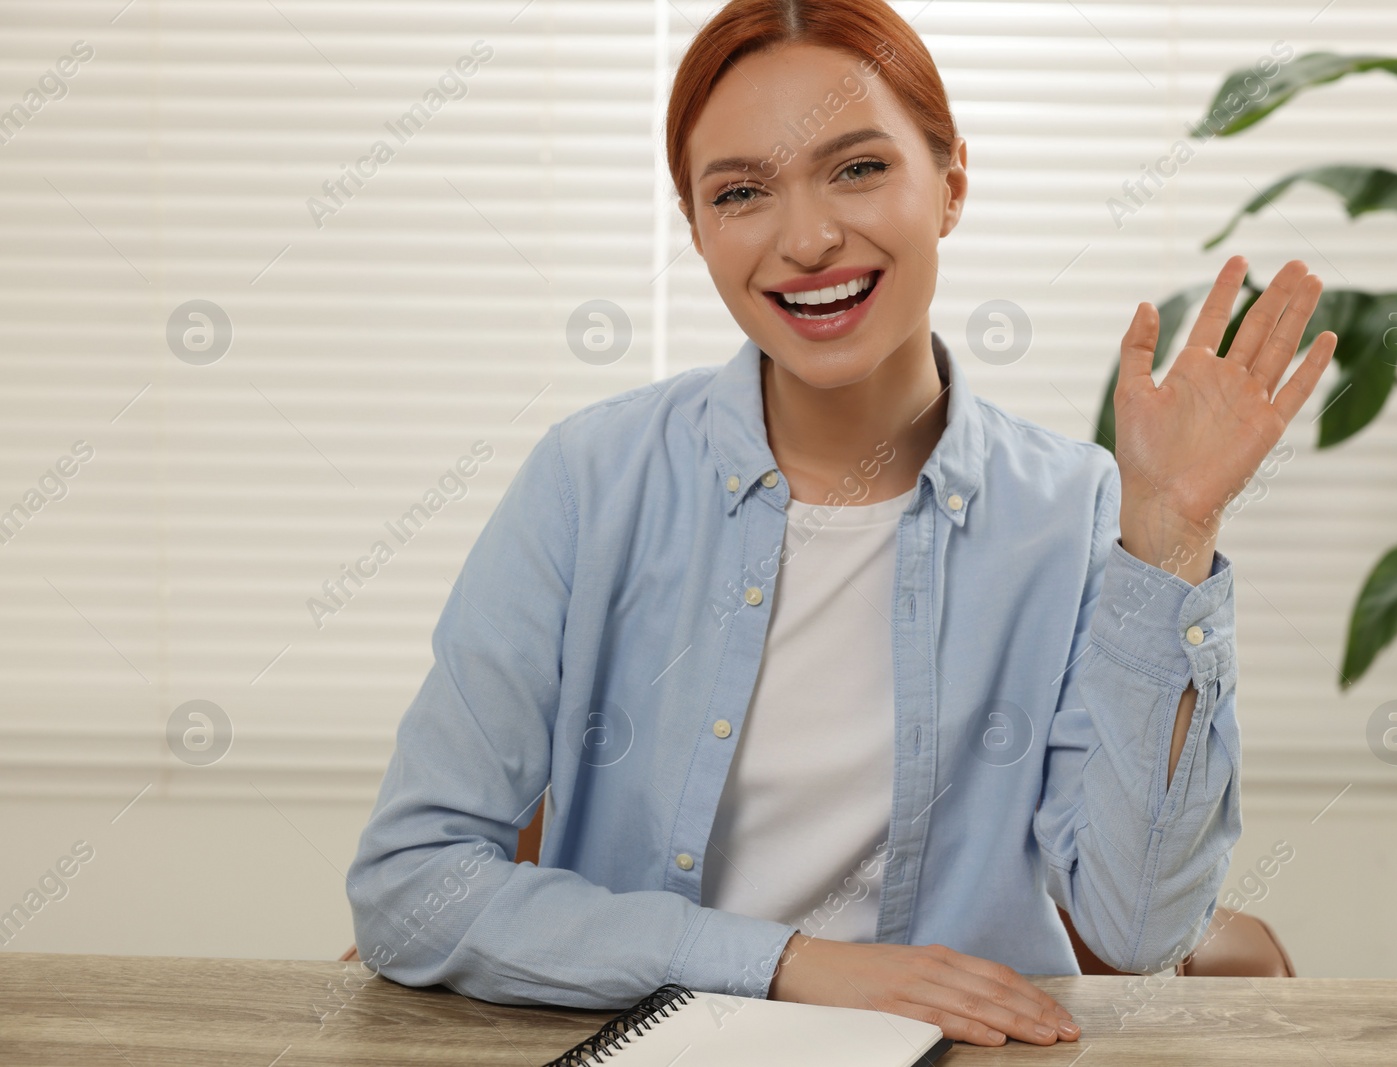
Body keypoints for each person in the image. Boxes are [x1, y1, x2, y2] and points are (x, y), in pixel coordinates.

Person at [345, 0, 1336, 1048]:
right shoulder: (590, 481)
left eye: (857, 169)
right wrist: (789, 965)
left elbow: (1140, 928)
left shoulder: (1081, 511)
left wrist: (1172, 534)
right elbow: (412, 886)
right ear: (697, 229)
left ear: (950, 186)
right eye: (741, 192)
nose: (808, 238)